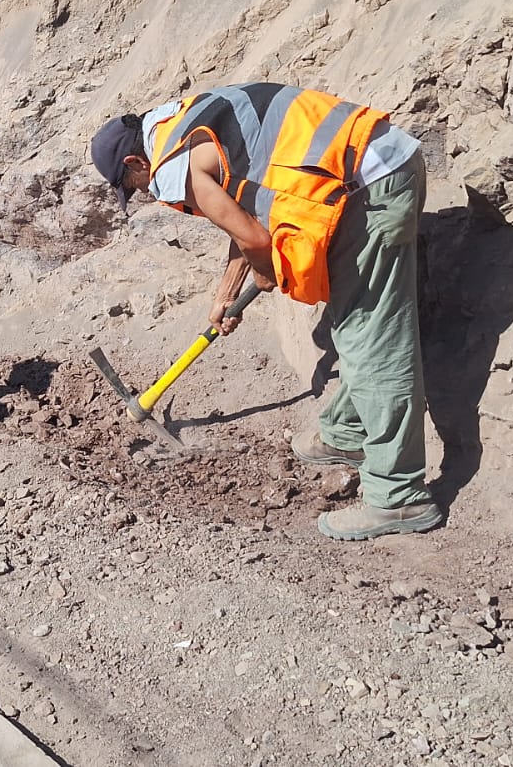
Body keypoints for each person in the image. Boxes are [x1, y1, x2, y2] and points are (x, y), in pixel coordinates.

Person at [90, 83, 440, 541]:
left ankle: (399, 497)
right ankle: (347, 435)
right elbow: (245, 216)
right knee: (357, 325)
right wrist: (225, 294)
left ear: (136, 163)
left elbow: (256, 241)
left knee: (372, 338)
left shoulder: (177, 165)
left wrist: (262, 271)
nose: (140, 193)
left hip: (367, 188)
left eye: (131, 186)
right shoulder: (182, 125)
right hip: (364, 173)